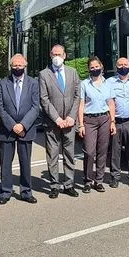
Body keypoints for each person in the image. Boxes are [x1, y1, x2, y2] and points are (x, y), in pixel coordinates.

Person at [0, 54, 41, 204]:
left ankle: (26, 191)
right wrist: (13, 125)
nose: (17, 68)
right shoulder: (2, 83)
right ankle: (5, 191)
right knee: (6, 162)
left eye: (20, 66)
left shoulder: (33, 83)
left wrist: (23, 125)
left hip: (26, 129)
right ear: (10, 67)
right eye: (14, 66)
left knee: (25, 162)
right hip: (7, 129)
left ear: (25, 66)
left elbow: (35, 107)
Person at [39, 44, 81, 199]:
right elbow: (44, 99)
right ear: (50, 55)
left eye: (59, 54)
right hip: (52, 123)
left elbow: (77, 96)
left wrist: (71, 117)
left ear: (65, 56)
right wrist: (56, 118)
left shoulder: (73, 72)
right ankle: (54, 185)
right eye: (54, 54)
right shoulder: (44, 74)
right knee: (53, 155)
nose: (57, 57)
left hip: (69, 122)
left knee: (70, 154)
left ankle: (69, 184)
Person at [79, 56, 116, 193]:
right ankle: (88, 180)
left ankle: (99, 180)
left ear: (101, 67)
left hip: (105, 119)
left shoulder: (108, 84)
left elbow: (111, 103)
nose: (95, 69)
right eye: (92, 67)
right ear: (89, 69)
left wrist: (112, 121)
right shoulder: (84, 84)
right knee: (89, 152)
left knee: (102, 151)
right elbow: (81, 104)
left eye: (97, 66)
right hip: (89, 120)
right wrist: (81, 124)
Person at [107, 57, 129, 188]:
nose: (123, 67)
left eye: (125, 64)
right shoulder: (109, 82)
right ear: (116, 67)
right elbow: (108, 102)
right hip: (116, 121)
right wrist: (112, 121)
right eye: (120, 65)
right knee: (115, 150)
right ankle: (115, 177)